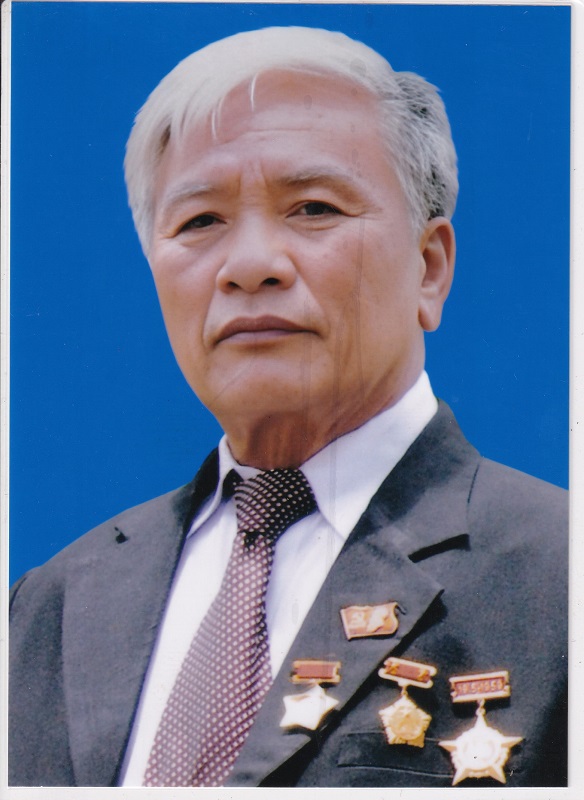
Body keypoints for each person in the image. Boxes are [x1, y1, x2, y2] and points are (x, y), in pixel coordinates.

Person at [8, 26, 567, 788]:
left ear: (429, 268)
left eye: (312, 208)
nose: (249, 266)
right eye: (200, 221)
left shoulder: (558, 577)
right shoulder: (52, 604)